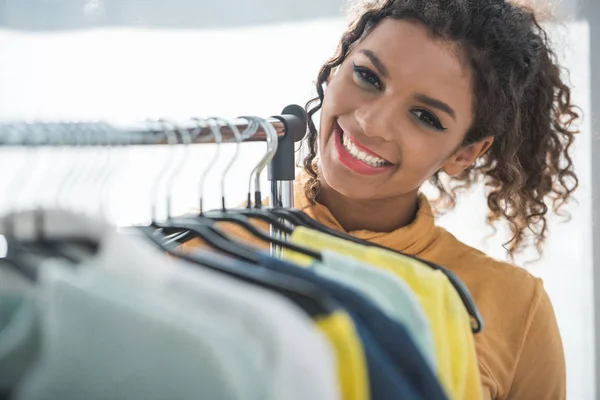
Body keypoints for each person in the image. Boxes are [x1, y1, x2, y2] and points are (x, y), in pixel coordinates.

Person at [188, 0, 578, 398]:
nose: (372, 123)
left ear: (465, 153)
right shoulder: (193, 249)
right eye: (367, 76)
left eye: (426, 116)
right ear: (337, 64)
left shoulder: (515, 307)